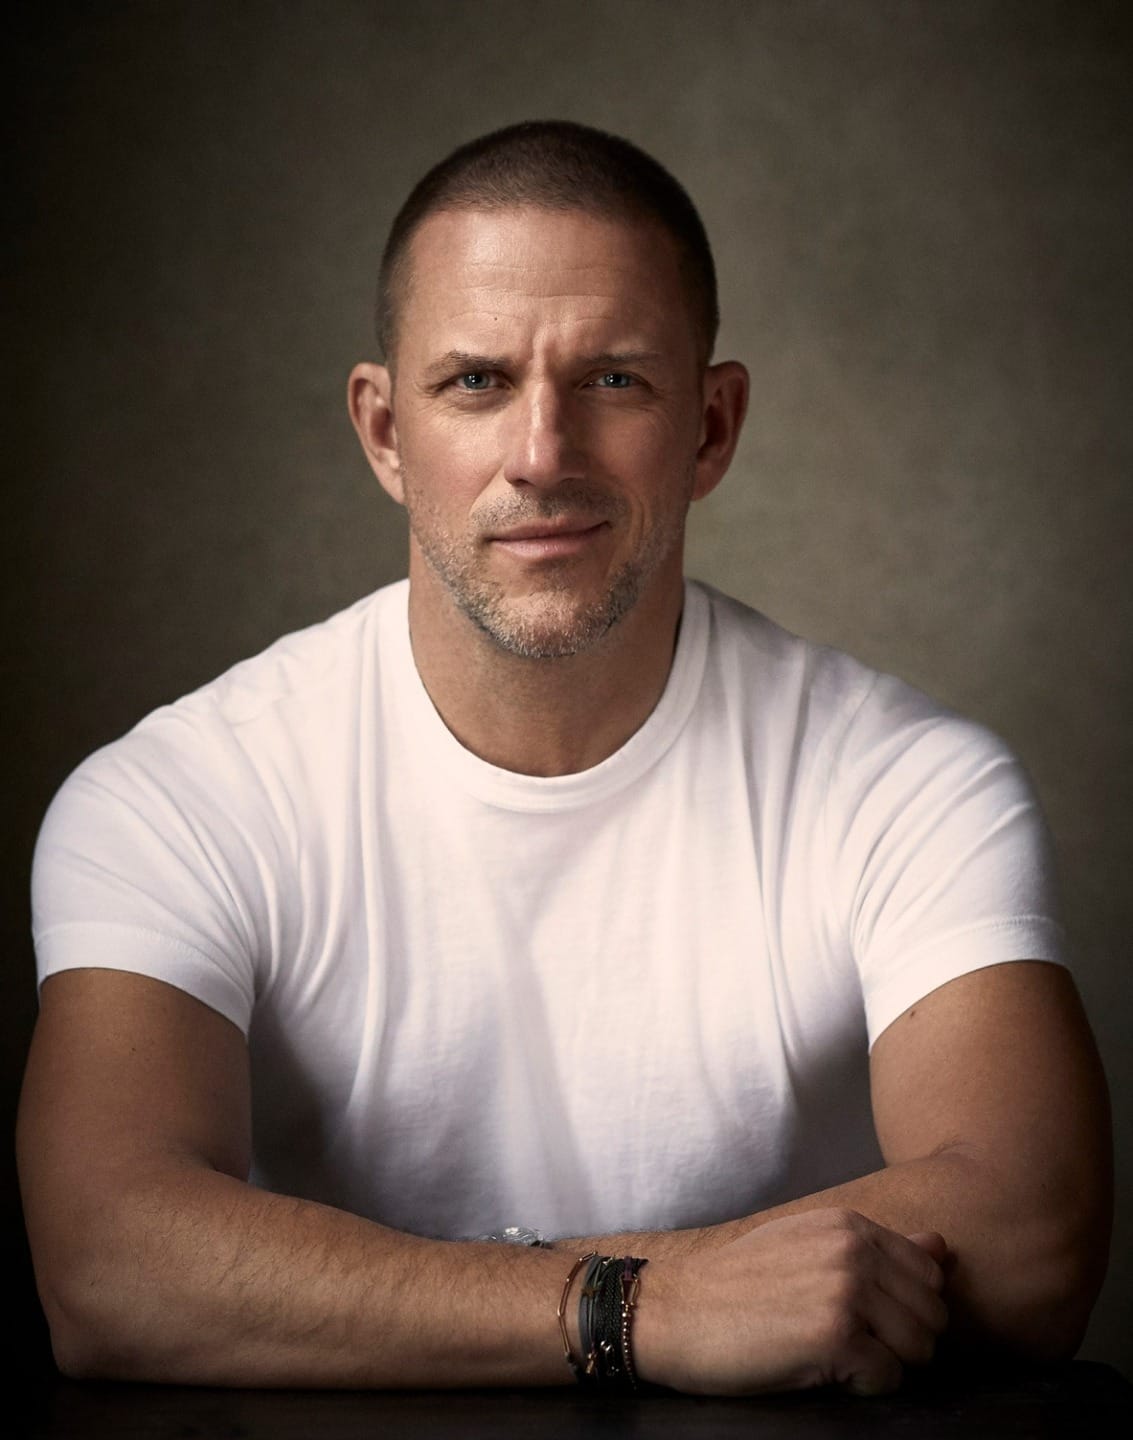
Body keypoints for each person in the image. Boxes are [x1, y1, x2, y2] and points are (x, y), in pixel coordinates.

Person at [18, 120, 1111, 1398]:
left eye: (611, 381)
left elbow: (1032, 1233)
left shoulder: (908, 785)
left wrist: (403, 1294)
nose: (541, 455)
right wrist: (635, 1308)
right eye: (475, 382)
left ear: (710, 426)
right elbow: (105, 1263)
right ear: (382, 430)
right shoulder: (176, 799)